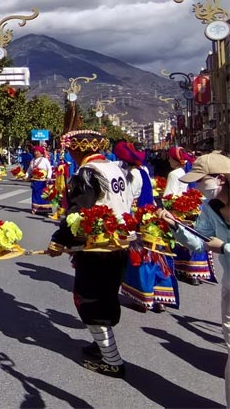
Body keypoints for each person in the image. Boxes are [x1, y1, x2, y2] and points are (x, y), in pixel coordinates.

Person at [47, 130, 130, 378]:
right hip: (119, 244)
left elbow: (77, 213)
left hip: (98, 248)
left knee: (89, 298)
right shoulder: (116, 169)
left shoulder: (88, 173)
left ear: (78, 150)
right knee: (106, 297)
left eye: (71, 149)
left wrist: (59, 240)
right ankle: (103, 345)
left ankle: (112, 360)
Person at [159, 152, 230, 407]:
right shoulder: (209, 207)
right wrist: (176, 226)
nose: (197, 186)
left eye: (202, 180)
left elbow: (219, 245)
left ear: (220, 178)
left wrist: (225, 247)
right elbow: (200, 242)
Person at [117, 141, 178, 313]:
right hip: (150, 213)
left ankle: (143, 296)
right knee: (156, 254)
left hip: (138, 217)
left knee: (141, 256)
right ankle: (160, 297)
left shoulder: (132, 175)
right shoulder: (143, 170)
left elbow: (127, 198)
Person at [166, 146, 216, 286]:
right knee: (198, 237)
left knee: (183, 239)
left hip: (180, 209)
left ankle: (186, 269)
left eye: (170, 158)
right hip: (194, 208)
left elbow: (168, 196)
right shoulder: (186, 170)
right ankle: (197, 273)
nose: (168, 160)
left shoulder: (174, 174)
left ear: (175, 160)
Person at [28, 146, 53, 216]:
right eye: (35, 151)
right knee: (35, 195)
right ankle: (35, 209)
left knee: (43, 195)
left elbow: (49, 169)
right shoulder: (32, 160)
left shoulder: (45, 160)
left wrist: (48, 176)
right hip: (35, 181)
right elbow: (29, 169)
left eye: (37, 151)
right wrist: (27, 175)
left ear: (41, 153)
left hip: (43, 181)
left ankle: (44, 209)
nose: (36, 153)